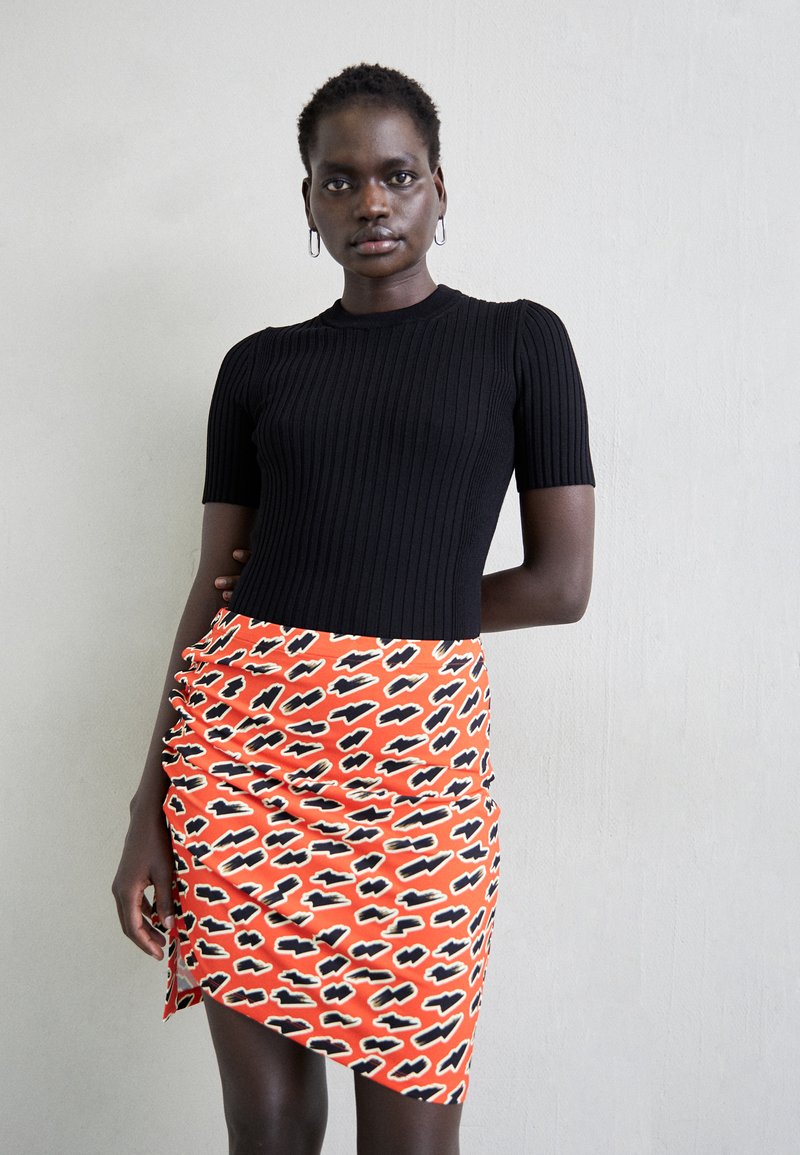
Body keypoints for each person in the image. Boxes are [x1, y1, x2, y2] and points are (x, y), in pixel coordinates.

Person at [112, 61, 595, 1155]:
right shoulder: (258, 368)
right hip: (241, 758)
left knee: (410, 1134)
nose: (370, 202)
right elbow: (213, 585)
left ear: (438, 187)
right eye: (340, 181)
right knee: (269, 1127)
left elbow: (561, 585)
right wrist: (147, 807)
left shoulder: (519, 342)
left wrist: (380, 604)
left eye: (397, 175)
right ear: (309, 200)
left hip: (417, 768)